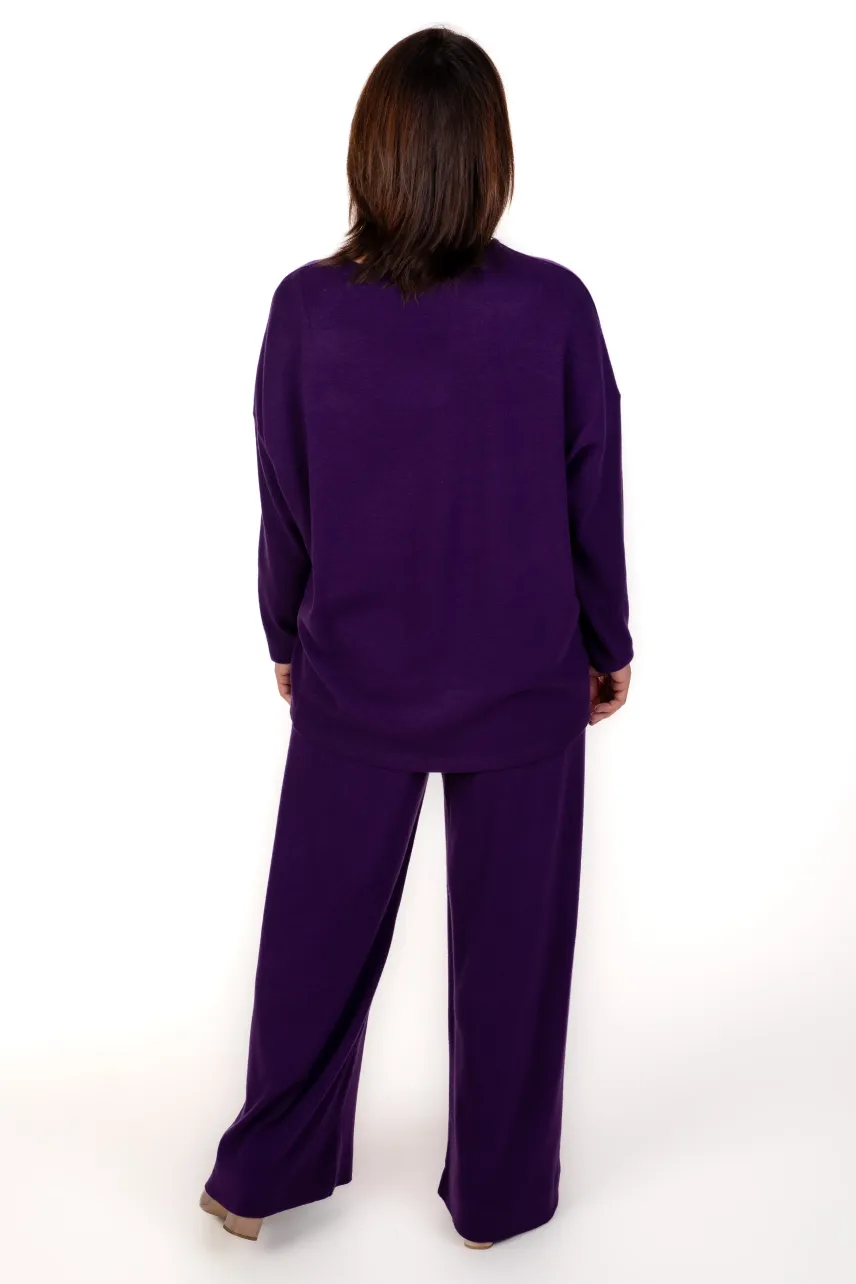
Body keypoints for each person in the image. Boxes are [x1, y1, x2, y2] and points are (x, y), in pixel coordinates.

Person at [200, 25, 632, 1251]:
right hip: (525, 681)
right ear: (489, 157)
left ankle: (255, 1180)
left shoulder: (306, 309)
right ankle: (498, 1200)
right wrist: (607, 640)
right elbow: (589, 488)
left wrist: (284, 630)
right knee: (514, 958)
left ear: (371, 153)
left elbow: (285, 493)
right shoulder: (553, 307)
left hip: (356, 677)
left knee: (313, 941)